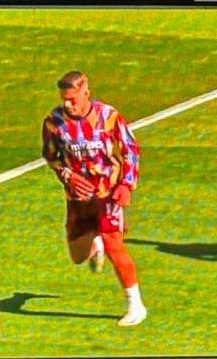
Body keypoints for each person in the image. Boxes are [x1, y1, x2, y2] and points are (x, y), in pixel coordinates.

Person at [41, 70, 146, 327]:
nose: (68, 104)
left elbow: (130, 149)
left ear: (86, 93)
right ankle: (94, 244)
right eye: (65, 99)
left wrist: (126, 184)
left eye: (73, 99)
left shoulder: (108, 116)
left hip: (107, 193)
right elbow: (50, 156)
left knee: (114, 244)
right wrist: (67, 175)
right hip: (77, 199)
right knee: (78, 257)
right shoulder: (53, 122)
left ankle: (136, 305)